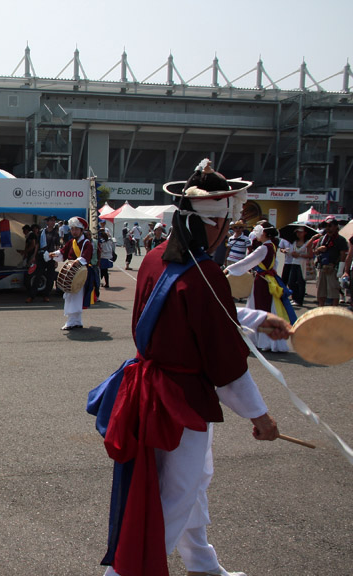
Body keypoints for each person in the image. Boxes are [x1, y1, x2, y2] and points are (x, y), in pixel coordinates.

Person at [88, 158, 280, 576]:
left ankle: (202, 563)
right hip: (180, 401)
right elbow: (223, 360)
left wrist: (260, 318)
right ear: (217, 222)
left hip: (153, 392)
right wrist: (260, 416)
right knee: (173, 497)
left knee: (194, 484)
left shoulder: (158, 257)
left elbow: (190, 315)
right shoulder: (203, 271)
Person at [225, 223, 296, 352]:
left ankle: (262, 341)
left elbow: (247, 261)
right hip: (269, 279)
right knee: (268, 307)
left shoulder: (263, 248)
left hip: (262, 281)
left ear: (264, 234)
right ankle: (264, 340)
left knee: (259, 308)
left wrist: (229, 269)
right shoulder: (272, 246)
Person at [52, 217, 99, 330]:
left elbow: (85, 257)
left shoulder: (86, 243)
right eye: (72, 229)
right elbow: (63, 252)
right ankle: (77, 321)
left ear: (81, 230)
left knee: (74, 297)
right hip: (72, 273)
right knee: (72, 297)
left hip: (80, 274)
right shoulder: (71, 242)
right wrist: (54, 254)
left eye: (76, 229)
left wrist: (75, 262)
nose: (74, 231)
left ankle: (71, 321)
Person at [313, 216, 349, 306]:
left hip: (333, 268)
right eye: (326, 226)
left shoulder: (340, 240)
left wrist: (340, 270)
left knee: (333, 292)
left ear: (336, 226)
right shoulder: (322, 239)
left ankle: (334, 311)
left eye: (330, 226)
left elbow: (343, 255)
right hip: (322, 267)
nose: (328, 228)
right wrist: (319, 249)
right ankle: (321, 309)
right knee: (321, 292)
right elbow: (315, 252)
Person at [280, 227, 310, 306]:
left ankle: (299, 300)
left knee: (301, 282)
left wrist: (300, 255)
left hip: (302, 264)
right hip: (294, 263)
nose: (298, 234)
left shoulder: (308, 242)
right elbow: (290, 251)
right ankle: (294, 298)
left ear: (304, 233)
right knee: (291, 282)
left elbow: (310, 255)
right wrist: (291, 253)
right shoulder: (294, 242)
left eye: (300, 232)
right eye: (297, 232)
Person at [21, 224, 38, 298]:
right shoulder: (29, 236)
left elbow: (33, 245)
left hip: (32, 256)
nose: (23, 232)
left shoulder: (31, 235)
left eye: (24, 231)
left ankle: (30, 289)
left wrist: (26, 252)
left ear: (26, 230)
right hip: (30, 255)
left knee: (30, 272)